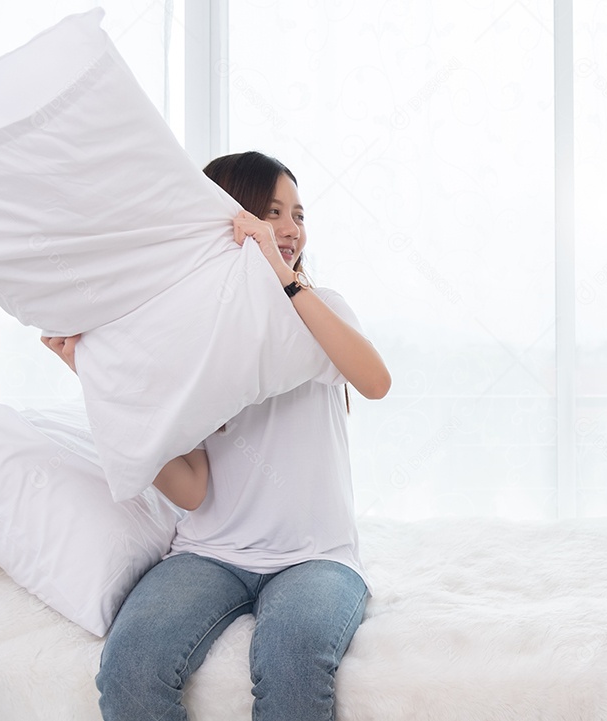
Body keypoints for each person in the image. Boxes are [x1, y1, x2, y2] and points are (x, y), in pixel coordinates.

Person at [46, 151, 390, 720]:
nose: (289, 228)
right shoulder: (188, 340)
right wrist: (97, 378)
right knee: (129, 670)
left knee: (292, 666)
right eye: (271, 212)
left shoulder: (319, 309)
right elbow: (192, 489)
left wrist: (282, 277)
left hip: (316, 558)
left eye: (297, 214)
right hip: (209, 554)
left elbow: (375, 381)